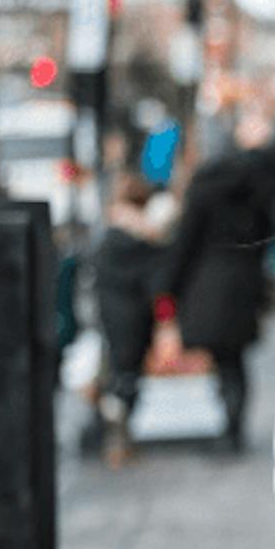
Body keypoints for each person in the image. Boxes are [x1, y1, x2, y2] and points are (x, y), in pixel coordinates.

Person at [159, 128, 275, 451]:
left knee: (218, 358)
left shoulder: (202, 188)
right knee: (235, 359)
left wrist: (168, 286)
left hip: (207, 281)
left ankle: (227, 427)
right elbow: (267, 232)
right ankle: (234, 426)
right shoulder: (254, 187)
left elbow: (186, 241)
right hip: (243, 279)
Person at [90, 172, 170, 465]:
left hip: (112, 318)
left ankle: (111, 437)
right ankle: (117, 440)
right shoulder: (147, 239)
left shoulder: (108, 238)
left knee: (118, 374)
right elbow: (157, 284)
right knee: (127, 378)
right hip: (135, 319)